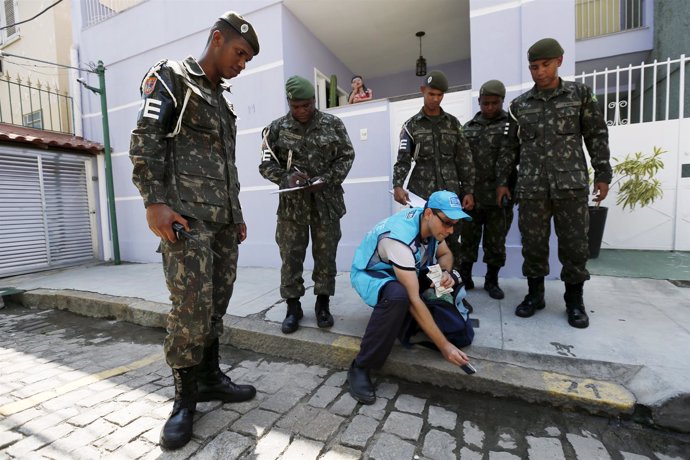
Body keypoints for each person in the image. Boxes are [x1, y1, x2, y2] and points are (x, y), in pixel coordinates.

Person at [129, 12, 260, 450]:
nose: (243, 64)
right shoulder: (172, 78)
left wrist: (236, 213)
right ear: (217, 39)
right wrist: (155, 201)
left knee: (215, 304)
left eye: (248, 59)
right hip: (186, 220)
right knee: (189, 309)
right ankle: (184, 400)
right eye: (240, 53)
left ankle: (209, 378)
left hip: (221, 221)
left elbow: (228, 167)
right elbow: (146, 138)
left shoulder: (223, 101)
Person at [496, 38, 612, 328]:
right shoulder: (519, 105)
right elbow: (511, 149)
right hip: (532, 188)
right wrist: (503, 183)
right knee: (533, 245)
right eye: (534, 67)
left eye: (545, 65)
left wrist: (602, 173)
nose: (539, 72)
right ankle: (535, 295)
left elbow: (596, 135)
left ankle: (575, 301)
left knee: (574, 246)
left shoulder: (580, 94)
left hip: (570, 186)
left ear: (559, 60)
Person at [349, 190, 473, 404]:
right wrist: (444, 347)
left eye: (454, 224)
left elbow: (445, 255)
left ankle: (408, 324)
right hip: (372, 275)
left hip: (407, 271)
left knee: (449, 294)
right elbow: (413, 299)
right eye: (447, 223)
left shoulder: (434, 226)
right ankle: (361, 366)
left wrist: (445, 274)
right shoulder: (399, 239)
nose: (451, 230)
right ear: (428, 214)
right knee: (400, 296)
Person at [259, 75, 355, 335]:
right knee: (290, 256)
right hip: (293, 206)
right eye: (295, 106)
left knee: (326, 256)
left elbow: (347, 156)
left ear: (314, 101)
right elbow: (266, 164)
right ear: (289, 102)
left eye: (306, 105)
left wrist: (328, 178)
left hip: (327, 203)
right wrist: (285, 177)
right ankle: (293, 308)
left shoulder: (333, 124)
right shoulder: (275, 129)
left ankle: (323, 305)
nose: (301, 111)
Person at [392, 70, 475, 273]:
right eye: (431, 94)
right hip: (422, 193)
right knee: (423, 240)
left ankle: (453, 289)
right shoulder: (411, 126)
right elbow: (403, 160)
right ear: (423, 91)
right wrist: (397, 185)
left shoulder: (453, 124)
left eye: (439, 95)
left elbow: (464, 159)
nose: (435, 99)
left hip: (451, 192)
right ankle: (426, 289)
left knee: (452, 239)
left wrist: (469, 190)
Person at [459, 80, 519, 299]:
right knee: (468, 241)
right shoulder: (468, 128)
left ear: (502, 101)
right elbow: (464, 163)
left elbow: (514, 157)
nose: (490, 107)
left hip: (499, 198)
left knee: (495, 243)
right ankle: (465, 277)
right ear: (479, 102)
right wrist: (467, 191)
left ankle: (491, 281)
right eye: (486, 103)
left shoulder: (512, 126)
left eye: (495, 103)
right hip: (472, 198)